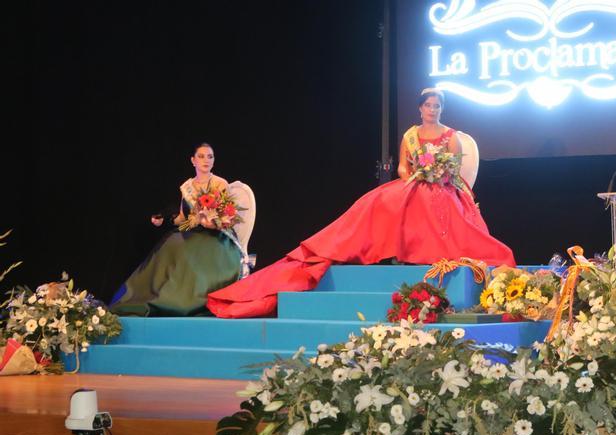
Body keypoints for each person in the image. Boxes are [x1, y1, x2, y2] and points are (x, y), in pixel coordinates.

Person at [207, 89, 515, 318]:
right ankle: (363, 245)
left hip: (444, 187)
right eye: (428, 105)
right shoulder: (411, 134)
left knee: (428, 201)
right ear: (420, 108)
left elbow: (453, 169)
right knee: (380, 200)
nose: (432, 110)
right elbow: (402, 169)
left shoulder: (450, 136)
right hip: (415, 182)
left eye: (437, 106)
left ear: (441, 109)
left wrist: (435, 174)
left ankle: (423, 250)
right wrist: (417, 173)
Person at [110, 143, 241, 316]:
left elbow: (225, 217)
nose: (206, 160)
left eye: (210, 156)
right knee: (169, 244)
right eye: (201, 156)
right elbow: (182, 217)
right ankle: (151, 297)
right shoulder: (187, 186)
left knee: (183, 248)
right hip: (193, 230)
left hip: (215, 234)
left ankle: (185, 301)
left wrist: (208, 221)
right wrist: (164, 218)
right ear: (193, 160)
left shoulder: (219, 183)